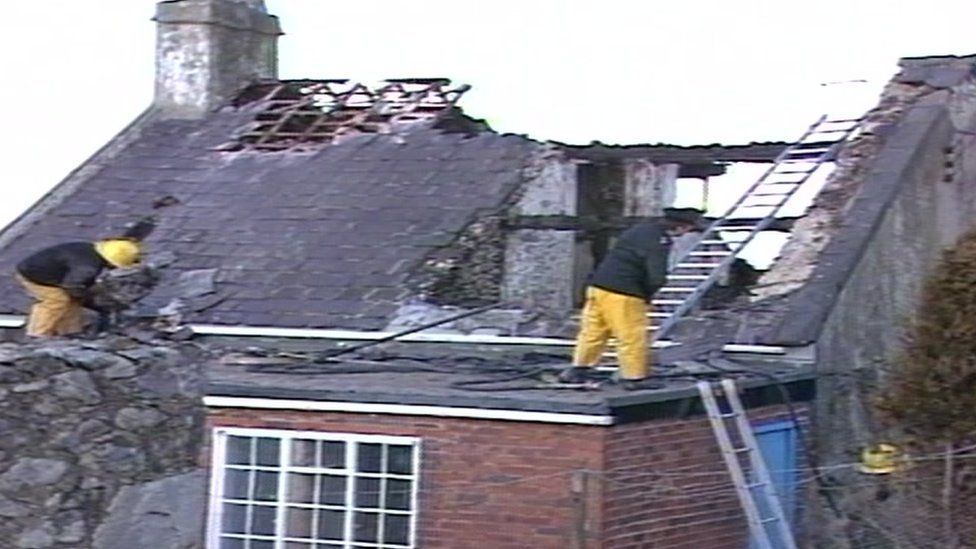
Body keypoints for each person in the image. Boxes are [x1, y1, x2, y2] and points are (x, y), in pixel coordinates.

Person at [563, 208, 705, 386]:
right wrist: (648, 295)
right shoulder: (659, 240)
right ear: (682, 227)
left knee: (594, 331)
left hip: (598, 286)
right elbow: (656, 274)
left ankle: (578, 370)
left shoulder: (641, 229)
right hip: (625, 292)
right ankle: (634, 377)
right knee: (631, 335)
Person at [15, 238, 142, 337]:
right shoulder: (88, 267)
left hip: (53, 274)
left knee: (73, 301)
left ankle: (70, 333)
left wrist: (85, 296)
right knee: (57, 301)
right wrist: (92, 301)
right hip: (34, 275)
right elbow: (72, 285)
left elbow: (78, 283)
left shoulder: (91, 251)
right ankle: (37, 334)